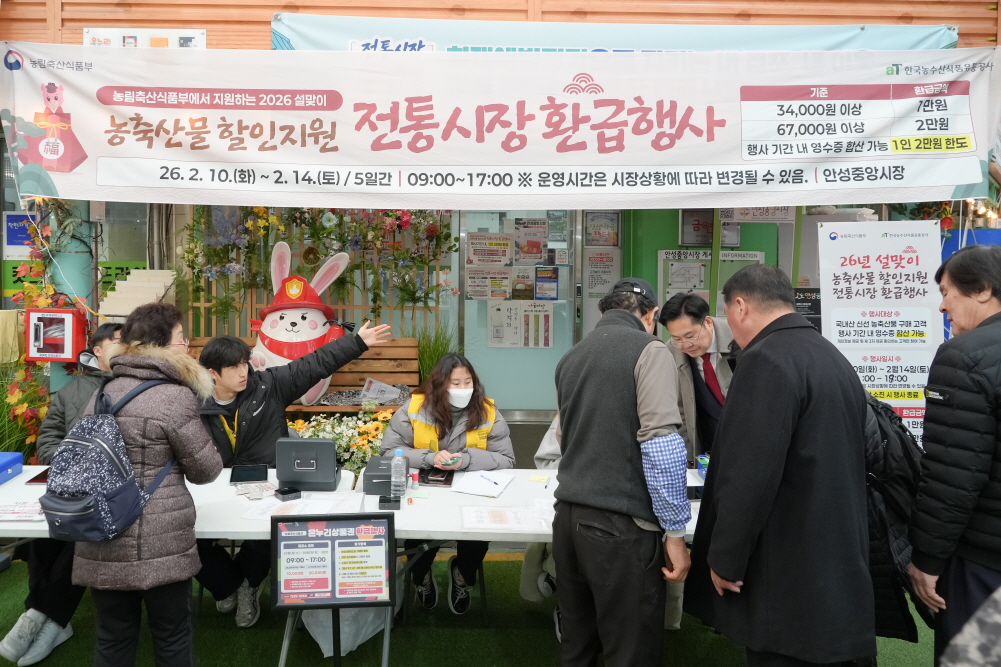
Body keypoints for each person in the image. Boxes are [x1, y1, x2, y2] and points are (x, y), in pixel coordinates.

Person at [684, 265, 875, 667]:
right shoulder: (828, 354)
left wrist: (725, 559)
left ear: (740, 306)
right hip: (834, 557)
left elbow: (748, 474)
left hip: (788, 565)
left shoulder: (766, 360)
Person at [195, 322, 391, 628]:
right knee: (188, 539)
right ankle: (231, 585)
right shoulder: (193, 402)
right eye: (233, 367)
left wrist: (358, 342)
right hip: (213, 487)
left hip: (266, 486)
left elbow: (314, 364)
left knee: (270, 532)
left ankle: (248, 585)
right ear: (212, 373)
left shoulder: (269, 385)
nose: (243, 372)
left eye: (244, 363)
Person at [71, 303, 223, 667]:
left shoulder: (102, 394)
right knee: (171, 636)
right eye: (182, 340)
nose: (186, 347)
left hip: (101, 534)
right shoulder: (174, 397)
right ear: (162, 346)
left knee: (112, 638)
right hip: (162, 542)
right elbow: (206, 470)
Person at [553, 277, 690, 667]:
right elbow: (661, 444)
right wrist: (676, 533)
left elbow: (566, 437)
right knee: (629, 651)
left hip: (567, 521)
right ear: (649, 316)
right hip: (620, 527)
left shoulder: (572, 356)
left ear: (602, 313)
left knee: (578, 644)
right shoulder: (650, 350)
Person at [0, 323, 122, 666]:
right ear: (97, 349)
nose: (125, 347)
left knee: (79, 538)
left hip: (112, 492)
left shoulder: (133, 387)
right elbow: (48, 437)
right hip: (68, 482)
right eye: (117, 341)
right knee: (44, 535)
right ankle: (50, 619)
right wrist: (69, 461)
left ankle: (42, 617)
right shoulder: (72, 391)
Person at [907, 244, 1001, 663]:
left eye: (947, 293)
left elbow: (953, 474)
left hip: (984, 562)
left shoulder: (964, 357)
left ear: (982, 289)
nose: (942, 306)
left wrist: (926, 559)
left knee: (975, 659)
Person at [381, 353, 514, 615]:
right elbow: (389, 452)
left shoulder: (488, 411)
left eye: (468, 382)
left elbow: (506, 460)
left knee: (477, 540)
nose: (463, 389)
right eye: (455, 383)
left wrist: (466, 460)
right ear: (439, 384)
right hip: (425, 494)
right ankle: (421, 579)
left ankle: (462, 577)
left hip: (473, 494)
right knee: (417, 539)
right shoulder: (414, 408)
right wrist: (429, 458)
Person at [659, 292, 738, 462]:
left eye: (690, 336)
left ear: (708, 322)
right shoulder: (671, 352)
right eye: (677, 338)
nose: (686, 345)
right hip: (707, 447)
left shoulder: (740, 339)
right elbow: (679, 411)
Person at [518, 417, 560, 636]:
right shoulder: (570, 409)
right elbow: (546, 461)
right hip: (576, 490)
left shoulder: (648, 414)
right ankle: (566, 601)